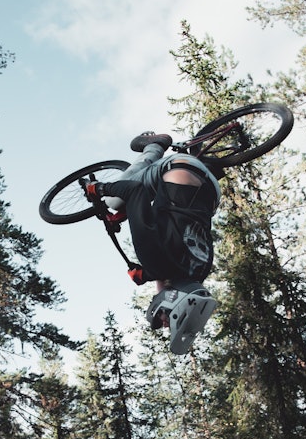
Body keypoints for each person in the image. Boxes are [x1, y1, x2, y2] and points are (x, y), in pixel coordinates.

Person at [86, 131, 222, 355]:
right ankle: (155, 145)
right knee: (114, 200)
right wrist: (99, 189)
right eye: (164, 316)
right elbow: (133, 191)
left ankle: (199, 153)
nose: (161, 317)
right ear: (171, 301)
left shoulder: (200, 270)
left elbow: (175, 262)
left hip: (211, 187)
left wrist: (147, 274)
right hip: (178, 167)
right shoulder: (156, 262)